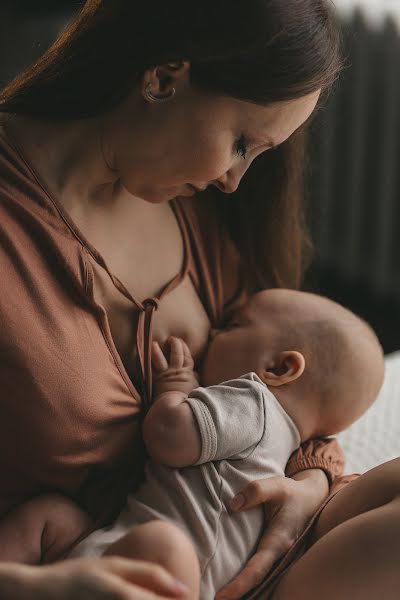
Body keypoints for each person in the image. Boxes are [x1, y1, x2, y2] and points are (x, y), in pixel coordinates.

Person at [0, 1, 399, 598]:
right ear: (163, 78)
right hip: (118, 568)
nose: (237, 180)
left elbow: (290, 384)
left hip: (255, 540)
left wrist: (312, 479)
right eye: (241, 142)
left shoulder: (195, 203)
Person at [0, 289, 385, 600]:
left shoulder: (254, 402)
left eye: (233, 325)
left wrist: (176, 386)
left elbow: (170, 436)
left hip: (168, 578)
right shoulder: (285, 442)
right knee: (54, 515)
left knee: (160, 542)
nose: (213, 334)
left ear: (279, 369)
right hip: (119, 550)